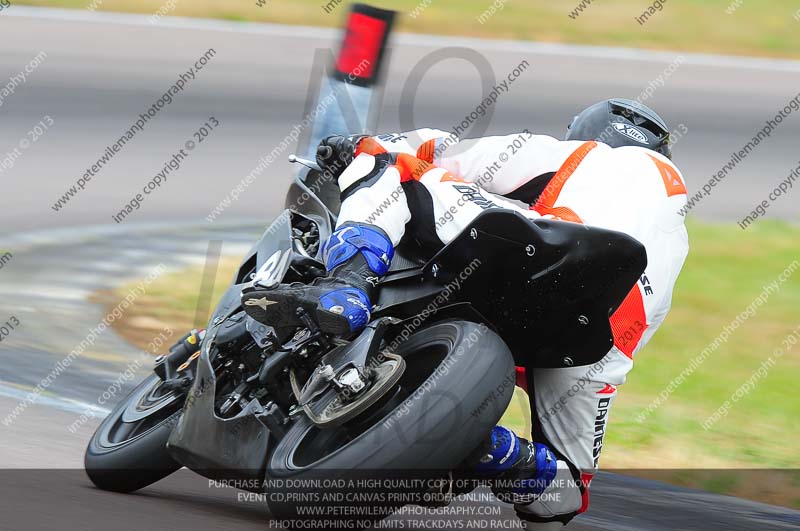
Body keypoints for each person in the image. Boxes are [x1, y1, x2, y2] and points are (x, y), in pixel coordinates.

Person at [242, 98, 689, 529]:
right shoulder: (678, 241)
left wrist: (358, 144)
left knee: (383, 162)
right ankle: (489, 449)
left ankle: (348, 286)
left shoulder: (584, 155)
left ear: (585, 135)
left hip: (539, 248)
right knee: (565, 493)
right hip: (597, 334)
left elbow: (448, 153)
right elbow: (634, 336)